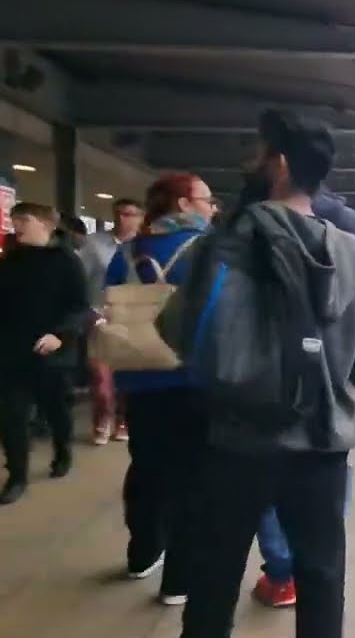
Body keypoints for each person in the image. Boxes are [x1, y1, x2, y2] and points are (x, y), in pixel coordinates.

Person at [146, 109, 355, 638]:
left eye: (257, 152)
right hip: (321, 445)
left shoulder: (224, 242)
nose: (249, 161)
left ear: (278, 164)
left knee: (217, 569)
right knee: (322, 579)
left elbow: (177, 329)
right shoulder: (348, 250)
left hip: (236, 438)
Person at [249, 186, 355, 609]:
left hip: (253, 413)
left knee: (263, 499)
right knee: (323, 543)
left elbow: (180, 328)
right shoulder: (351, 252)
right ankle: (309, 582)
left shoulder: (238, 244)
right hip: (328, 419)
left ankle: (281, 575)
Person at [104, 173, 216, 602]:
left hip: (140, 377)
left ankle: (143, 553)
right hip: (194, 378)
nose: (211, 208)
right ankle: (179, 580)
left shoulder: (128, 251)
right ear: (183, 203)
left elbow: (109, 301)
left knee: (147, 467)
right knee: (193, 478)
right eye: (205, 199)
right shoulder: (209, 250)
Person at [0, 203, 90, 505]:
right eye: (14, 220)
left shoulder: (67, 261)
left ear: (46, 224)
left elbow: (80, 307)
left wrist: (59, 335)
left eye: (23, 220)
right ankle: (17, 476)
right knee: (11, 415)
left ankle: (62, 450)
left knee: (55, 409)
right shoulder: (12, 259)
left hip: (52, 352)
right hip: (12, 351)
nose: (16, 225)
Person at [81, 198, 144, 445]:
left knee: (129, 376)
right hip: (100, 315)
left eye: (129, 214)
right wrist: (89, 311)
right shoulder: (94, 244)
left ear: (140, 218)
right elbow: (81, 279)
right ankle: (102, 418)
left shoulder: (145, 247)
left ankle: (123, 420)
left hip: (133, 319)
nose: (122, 219)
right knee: (101, 376)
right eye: (118, 213)